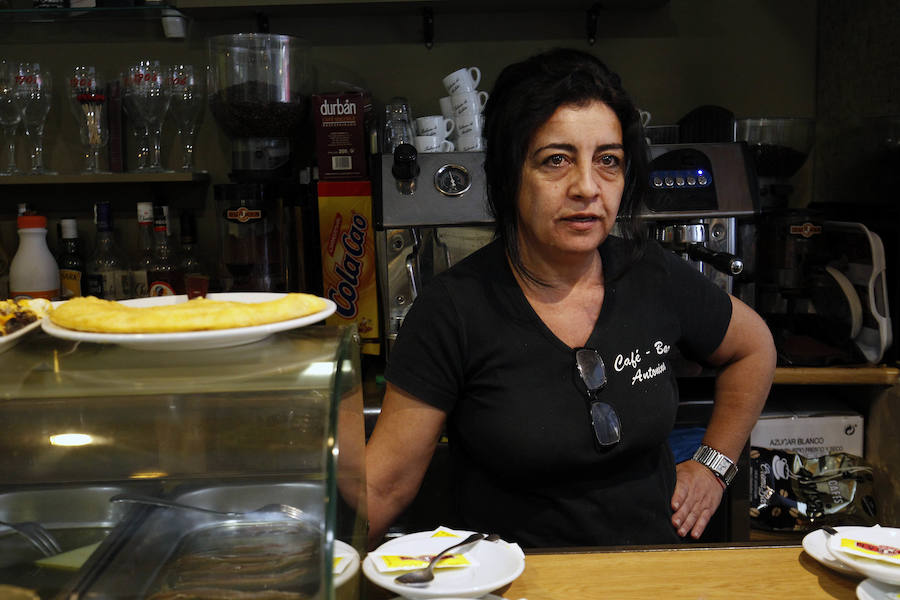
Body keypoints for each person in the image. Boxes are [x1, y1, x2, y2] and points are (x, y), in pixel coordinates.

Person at [366, 48, 776, 549]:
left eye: (608, 161)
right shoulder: (453, 310)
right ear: (509, 172)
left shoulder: (651, 273)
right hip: (518, 579)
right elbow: (382, 486)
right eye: (555, 160)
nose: (587, 187)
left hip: (652, 571)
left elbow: (754, 347)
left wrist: (714, 466)